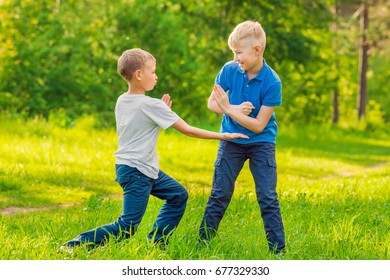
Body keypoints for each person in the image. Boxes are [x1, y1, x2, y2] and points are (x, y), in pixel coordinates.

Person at [60, 48, 247, 251]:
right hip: (138, 171)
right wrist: (223, 135)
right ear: (139, 74)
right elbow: (188, 130)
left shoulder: (123, 100)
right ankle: (74, 245)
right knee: (127, 226)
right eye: (153, 71)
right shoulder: (151, 106)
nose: (156, 76)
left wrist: (161, 110)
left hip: (135, 168)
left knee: (178, 195)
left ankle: (158, 244)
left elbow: (141, 120)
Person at [198, 20, 286, 255]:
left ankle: (278, 251)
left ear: (257, 50)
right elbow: (211, 103)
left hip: (261, 144)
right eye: (233, 52)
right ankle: (201, 244)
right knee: (220, 193)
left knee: (267, 197)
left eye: (239, 52)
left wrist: (228, 109)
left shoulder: (272, 82)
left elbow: (258, 126)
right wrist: (232, 108)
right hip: (230, 140)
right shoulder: (229, 70)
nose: (236, 57)